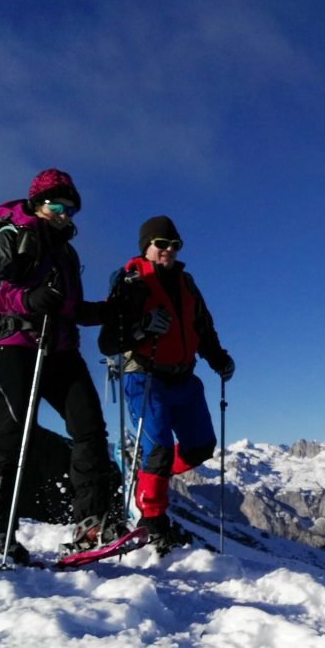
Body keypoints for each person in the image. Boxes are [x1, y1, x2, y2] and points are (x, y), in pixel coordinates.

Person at [0, 168, 124, 563]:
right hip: (13, 345)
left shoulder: (66, 252)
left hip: (59, 348)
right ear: (37, 203)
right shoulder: (8, 237)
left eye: (71, 209)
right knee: (15, 434)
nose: (65, 214)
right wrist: (31, 299)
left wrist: (111, 311)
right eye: (58, 206)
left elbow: (71, 309)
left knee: (89, 428)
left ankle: (90, 522)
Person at [99, 215, 235, 550]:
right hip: (144, 376)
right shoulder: (130, 281)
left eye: (175, 245)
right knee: (158, 450)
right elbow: (108, 341)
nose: (168, 250)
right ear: (145, 246)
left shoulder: (186, 283)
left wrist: (218, 359)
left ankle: (144, 473)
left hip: (184, 378)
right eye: (162, 244)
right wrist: (143, 328)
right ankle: (152, 521)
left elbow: (202, 326)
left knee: (201, 447)